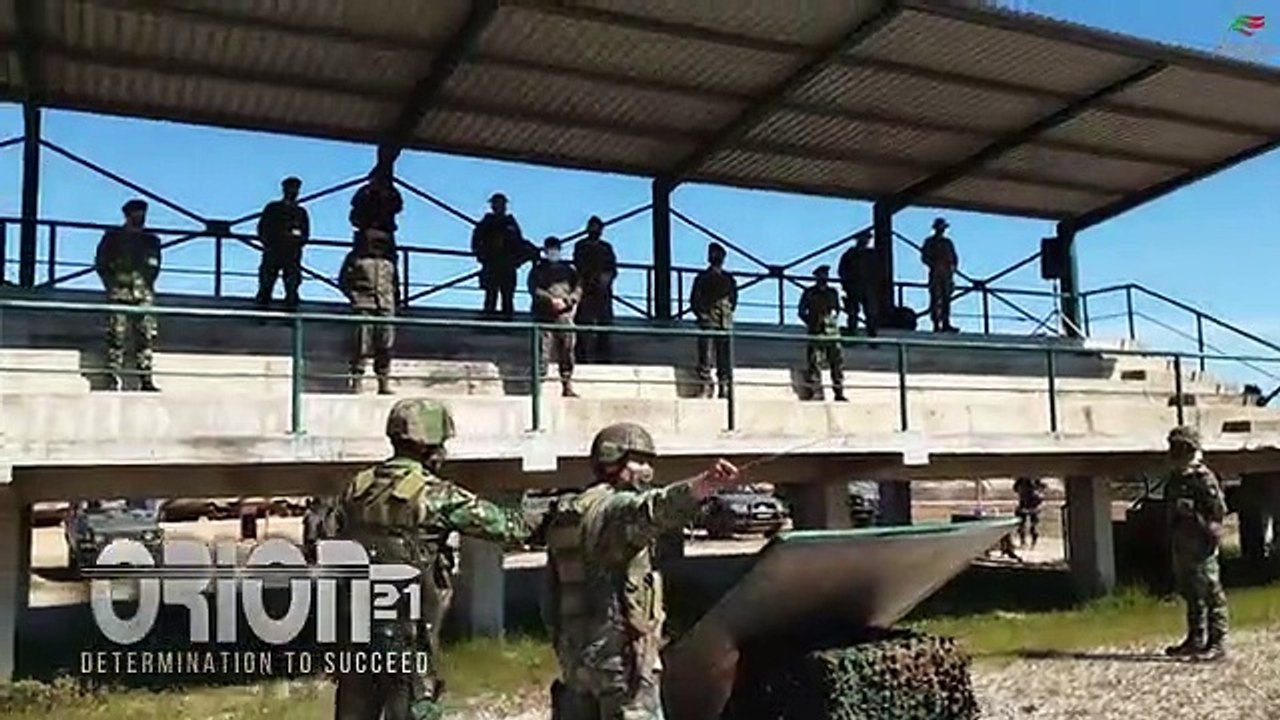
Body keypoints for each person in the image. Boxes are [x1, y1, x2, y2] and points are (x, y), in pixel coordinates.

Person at [332, 399, 530, 720]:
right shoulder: (433, 493)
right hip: (406, 639)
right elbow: (510, 526)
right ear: (431, 447)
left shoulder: (358, 487)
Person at [542, 422, 744, 720]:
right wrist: (700, 487)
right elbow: (652, 509)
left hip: (577, 660)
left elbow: (549, 594)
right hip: (622, 663)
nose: (647, 469)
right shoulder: (615, 509)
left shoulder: (569, 511)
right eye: (639, 460)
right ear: (613, 460)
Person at [1163, 425, 1229, 661]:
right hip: (1183, 542)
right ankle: (1195, 638)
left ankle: (1217, 641)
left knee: (1210, 591)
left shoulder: (1203, 479)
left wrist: (1195, 514)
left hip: (1201, 542)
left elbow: (1218, 511)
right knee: (1191, 592)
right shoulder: (1176, 477)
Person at [95, 198, 162, 392]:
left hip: (143, 294)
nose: (140, 217)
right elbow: (101, 263)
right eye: (136, 213)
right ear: (127, 215)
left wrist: (146, 284)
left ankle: (145, 378)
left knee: (146, 337)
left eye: (142, 213)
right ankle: (111, 378)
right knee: (116, 336)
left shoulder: (151, 239)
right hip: (119, 293)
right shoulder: (113, 237)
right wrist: (111, 285)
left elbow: (155, 266)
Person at [339, 229, 398, 395]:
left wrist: (394, 303)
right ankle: (357, 380)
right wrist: (354, 297)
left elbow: (394, 285)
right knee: (361, 344)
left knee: (385, 345)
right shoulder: (355, 259)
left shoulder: (389, 262)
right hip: (364, 305)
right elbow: (343, 281)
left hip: (386, 307)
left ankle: (383, 382)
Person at [529, 236, 582, 398]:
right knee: (542, 353)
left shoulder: (569, 270)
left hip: (564, 316)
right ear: (545, 251)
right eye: (550, 249)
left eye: (556, 249)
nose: (553, 252)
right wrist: (550, 300)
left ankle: (567, 384)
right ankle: (537, 387)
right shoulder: (538, 270)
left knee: (567, 351)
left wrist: (568, 301)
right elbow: (534, 289)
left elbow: (578, 289)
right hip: (543, 316)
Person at [472, 193, 536, 321]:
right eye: (496, 204)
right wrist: (484, 257)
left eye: (501, 204)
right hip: (493, 265)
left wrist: (523, 256)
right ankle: (489, 323)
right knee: (491, 296)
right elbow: (476, 244)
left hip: (507, 265)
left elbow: (519, 243)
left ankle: (506, 323)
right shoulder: (487, 223)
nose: (499, 206)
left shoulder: (510, 223)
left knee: (507, 297)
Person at [254, 176, 310, 312]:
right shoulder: (273, 208)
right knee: (267, 284)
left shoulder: (300, 212)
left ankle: (290, 314)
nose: (293, 192)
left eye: (295, 189)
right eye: (291, 188)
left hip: (291, 253)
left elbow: (306, 233)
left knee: (291, 286)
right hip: (274, 250)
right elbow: (262, 228)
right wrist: (270, 241)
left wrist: (297, 240)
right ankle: (261, 314)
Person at [689, 242, 738, 399]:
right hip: (708, 322)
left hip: (724, 323)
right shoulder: (702, 278)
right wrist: (702, 315)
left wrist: (727, 314)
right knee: (706, 357)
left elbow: (733, 300)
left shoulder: (729, 279)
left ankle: (724, 386)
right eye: (713, 255)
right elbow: (694, 300)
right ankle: (706, 385)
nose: (716, 258)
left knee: (724, 358)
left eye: (719, 255)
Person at [797, 265, 846, 402]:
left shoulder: (832, 293)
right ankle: (815, 391)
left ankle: (839, 391)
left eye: (825, 276)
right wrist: (811, 322)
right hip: (816, 332)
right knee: (815, 363)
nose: (824, 278)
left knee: (837, 363)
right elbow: (801, 311)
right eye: (821, 276)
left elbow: (837, 310)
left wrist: (832, 321)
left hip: (832, 333)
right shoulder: (810, 293)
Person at [573, 215, 617, 363]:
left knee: (605, 322)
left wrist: (606, 278)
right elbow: (578, 263)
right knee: (583, 321)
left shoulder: (606, 247)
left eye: (597, 227)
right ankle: (581, 354)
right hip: (586, 289)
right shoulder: (581, 246)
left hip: (603, 290)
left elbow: (612, 268)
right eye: (592, 227)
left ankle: (604, 354)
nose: (595, 230)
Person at [349, 148, 404, 241]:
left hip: (383, 229)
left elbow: (398, 206)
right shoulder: (364, 194)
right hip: (368, 230)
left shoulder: (390, 193)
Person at [921, 217, 959, 333]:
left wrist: (952, 271)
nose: (942, 230)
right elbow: (925, 258)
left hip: (947, 274)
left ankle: (946, 322)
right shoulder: (929, 242)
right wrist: (935, 265)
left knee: (946, 298)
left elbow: (954, 259)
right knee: (935, 298)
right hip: (936, 273)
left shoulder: (948, 243)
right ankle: (936, 323)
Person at [837, 231, 878, 336]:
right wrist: (846, 285)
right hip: (854, 286)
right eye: (864, 238)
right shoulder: (850, 254)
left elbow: (878, 271)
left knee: (870, 312)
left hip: (867, 287)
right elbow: (842, 271)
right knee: (853, 311)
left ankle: (871, 333)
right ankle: (853, 331)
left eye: (867, 239)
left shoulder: (872, 254)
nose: (865, 241)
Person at [1013, 476, 1048, 549]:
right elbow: (1015, 488)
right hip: (1025, 505)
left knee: (1033, 526)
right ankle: (1024, 542)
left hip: (1032, 506)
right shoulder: (1023, 480)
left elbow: (1042, 491)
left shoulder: (1034, 481)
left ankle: (1031, 543)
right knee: (1023, 525)